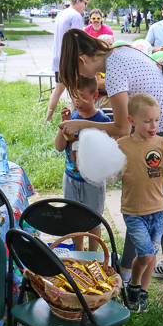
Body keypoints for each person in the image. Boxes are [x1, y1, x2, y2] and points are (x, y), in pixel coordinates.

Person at [57, 31, 163, 283]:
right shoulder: (119, 52)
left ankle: (126, 274)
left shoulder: (114, 68)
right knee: (155, 200)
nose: (82, 79)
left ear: (82, 61)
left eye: (76, 72)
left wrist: (82, 124)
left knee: (139, 203)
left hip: (158, 133)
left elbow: (121, 128)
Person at [117, 94, 163, 312]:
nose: (154, 125)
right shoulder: (122, 146)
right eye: (148, 121)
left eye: (157, 120)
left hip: (159, 210)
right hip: (133, 211)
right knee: (146, 254)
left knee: (151, 256)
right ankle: (132, 286)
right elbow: (111, 174)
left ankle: (143, 291)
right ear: (132, 121)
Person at [54, 75, 111, 249]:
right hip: (71, 177)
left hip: (93, 181)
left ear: (95, 95)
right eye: (74, 97)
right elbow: (59, 147)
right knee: (73, 217)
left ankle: (93, 254)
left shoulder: (103, 122)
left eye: (82, 97)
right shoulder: (71, 117)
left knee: (94, 219)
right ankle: (78, 251)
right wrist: (64, 125)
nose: (77, 102)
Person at [45, 0, 90, 122]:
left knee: (58, 89)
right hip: (69, 58)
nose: (85, 7)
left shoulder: (61, 14)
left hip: (57, 58)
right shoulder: (76, 16)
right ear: (78, 1)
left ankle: (48, 119)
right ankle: (74, 119)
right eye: (84, 3)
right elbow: (78, 38)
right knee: (76, 90)